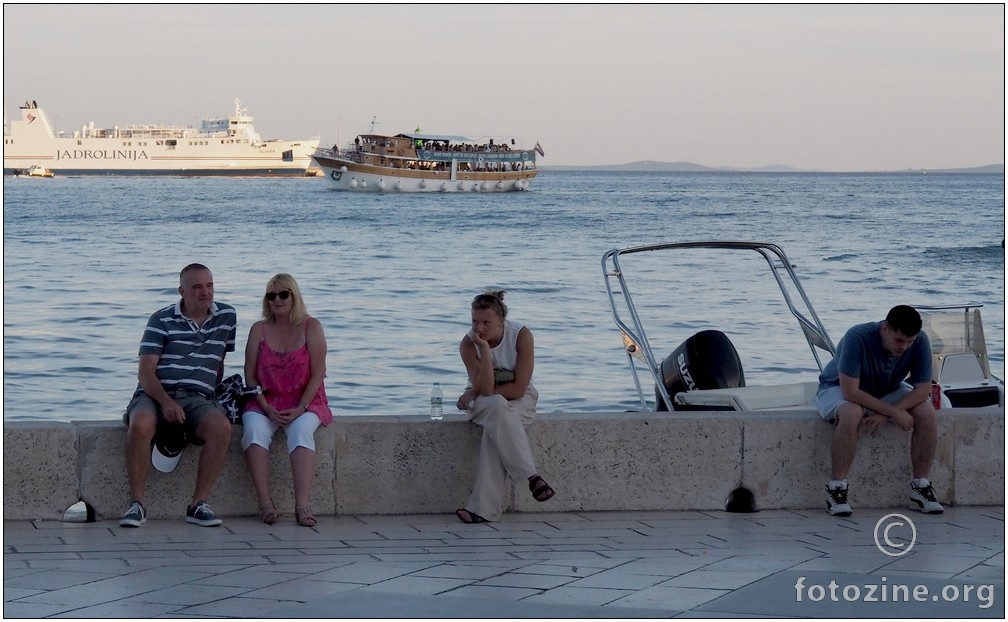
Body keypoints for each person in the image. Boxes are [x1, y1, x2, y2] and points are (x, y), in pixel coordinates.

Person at [119, 263, 237, 528]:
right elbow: (146, 372)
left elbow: (219, 362)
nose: (205, 292)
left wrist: (211, 400)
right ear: (182, 291)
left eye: (209, 285)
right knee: (140, 424)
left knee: (221, 427)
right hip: (154, 393)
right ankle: (137, 504)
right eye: (197, 287)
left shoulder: (227, 316)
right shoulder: (160, 319)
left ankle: (198, 504)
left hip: (198, 397)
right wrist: (166, 402)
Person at [815, 304, 943, 517]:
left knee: (926, 412)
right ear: (885, 328)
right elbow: (850, 392)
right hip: (836, 386)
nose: (904, 347)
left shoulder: (919, 341)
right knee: (852, 413)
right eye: (899, 340)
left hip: (886, 389)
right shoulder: (858, 336)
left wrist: (885, 413)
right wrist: (894, 412)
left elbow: (922, 392)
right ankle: (836, 488)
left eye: (909, 342)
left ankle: (920, 486)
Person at [454, 290, 554, 523]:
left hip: (519, 399)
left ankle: (482, 511)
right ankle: (531, 475)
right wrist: (484, 351)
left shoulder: (521, 335)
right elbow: (487, 389)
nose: (479, 328)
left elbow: (519, 388)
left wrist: (474, 390)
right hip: (484, 400)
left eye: (486, 322)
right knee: (497, 406)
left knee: (495, 432)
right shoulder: (469, 345)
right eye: (475, 322)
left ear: (502, 321)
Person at [241, 274, 332, 527]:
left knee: (301, 431)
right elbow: (249, 374)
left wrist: (301, 407)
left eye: (283, 294)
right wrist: (265, 407)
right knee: (253, 430)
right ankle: (266, 503)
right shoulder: (258, 330)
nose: (277, 300)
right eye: (271, 296)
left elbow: (318, 373)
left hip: (305, 400)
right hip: (265, 399)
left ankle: (302, 505)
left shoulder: (311, 327)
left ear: (294, 296)